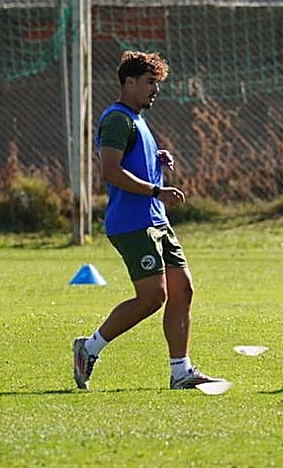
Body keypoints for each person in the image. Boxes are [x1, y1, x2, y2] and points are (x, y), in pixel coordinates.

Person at [73, 50, 224, 391]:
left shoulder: (137, 120)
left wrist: (156, 158)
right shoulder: (116, 119)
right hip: (132, 222)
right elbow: (110, 171)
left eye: (158, 83)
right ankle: (89, 348)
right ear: (129, 82)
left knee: (182, 289)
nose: (156, 90)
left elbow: (131, 157)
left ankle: (180, 371)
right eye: (150, 82)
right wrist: (157, 190)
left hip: (156, 220)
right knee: (152, 298)